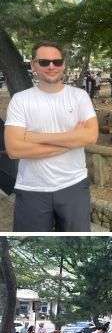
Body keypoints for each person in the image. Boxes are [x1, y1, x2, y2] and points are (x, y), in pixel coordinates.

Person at [3, 41, 98, 232]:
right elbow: (14, 149)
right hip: (32, 189)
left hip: (74, 186)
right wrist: (71, 140)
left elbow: (91, 136)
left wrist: (34, 137)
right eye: (44, 62)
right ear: (33, 65)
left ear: (63, 64)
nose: (51, 66)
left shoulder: (79, 97)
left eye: (57, 61)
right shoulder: (21, 100)